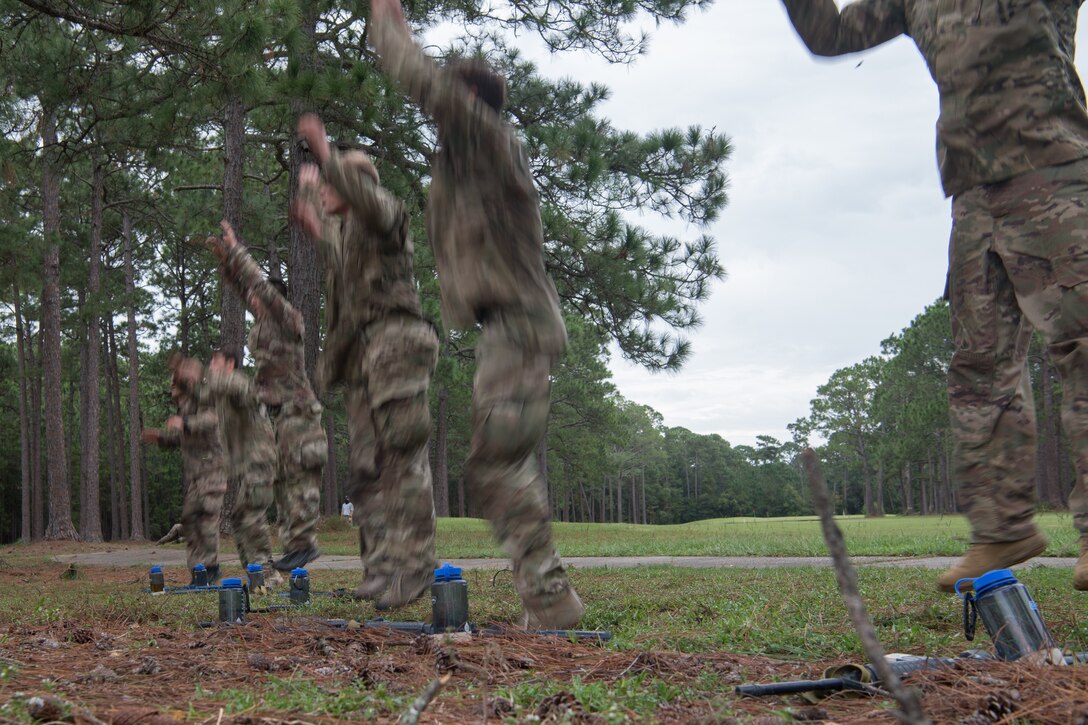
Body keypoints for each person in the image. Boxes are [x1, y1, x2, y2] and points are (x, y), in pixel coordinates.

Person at [779, 1, 1088, 591]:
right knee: (978, 368)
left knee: (1082, 347)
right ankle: (1001, 530)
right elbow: (830, 33)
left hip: (1056, 172)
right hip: (972, 194)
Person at [366, 0, 583, 628]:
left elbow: (424, 82)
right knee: (497, 463)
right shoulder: (473, 161)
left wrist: (387, 22)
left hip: (519, 325)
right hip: (509, 327)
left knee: (496, 464)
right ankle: (547, 603)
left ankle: (551, 603)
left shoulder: (485, 137)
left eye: (449, 100)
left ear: (467, 101)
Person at [293, 118, 439, 609]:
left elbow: (365, 202)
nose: (326, 190)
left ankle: (415, 566)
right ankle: (379, 567)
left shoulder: (384, 215)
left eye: (332, 184)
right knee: (366, 469)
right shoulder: (353, 234)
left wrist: (324, 151)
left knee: (401, 458)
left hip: (397, 347)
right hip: (363, 361)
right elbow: (332, 242)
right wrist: (311, 200)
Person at [208, 221, 326, 572]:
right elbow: (246, 290)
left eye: (259, 298)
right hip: (278, 414)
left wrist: (237, 251)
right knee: (283, 481)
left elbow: (257, 285)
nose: (252, 301)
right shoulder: (262, 324)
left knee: (299, 478)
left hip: (299, 412)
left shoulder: (288, 319)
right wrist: (228, 267)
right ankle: (295, 547)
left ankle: (304, 544)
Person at [194, 346, 281, 580]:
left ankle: (266, 574)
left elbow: (242, 390)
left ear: (230, 365)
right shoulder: (221, 392)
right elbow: (202, 395)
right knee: (239, 517)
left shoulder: (238, 382)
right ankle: (255, 573)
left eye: (215, 362)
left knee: (250, 514)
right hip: (248, 465)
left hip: (261, 459)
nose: (211, 367)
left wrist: (202, 375)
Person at [142, 354, 226, 585]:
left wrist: (186, 423)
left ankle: (211, 568)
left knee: (206, 518)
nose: (172, 393)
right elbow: (181, 438)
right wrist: (160, 438)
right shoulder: (185, 408)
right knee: (190, 521)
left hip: (212, 470)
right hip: (197, 476)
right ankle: (198, 572)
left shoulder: (204, 399)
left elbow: (210, 420)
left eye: (175, 386)